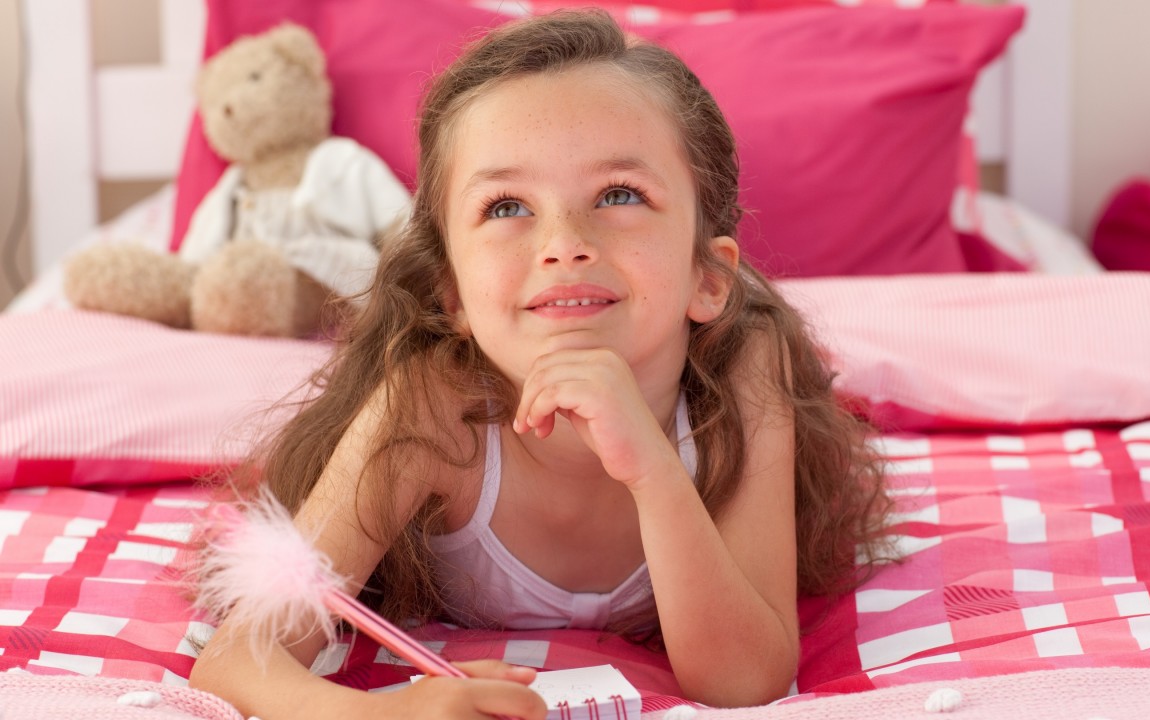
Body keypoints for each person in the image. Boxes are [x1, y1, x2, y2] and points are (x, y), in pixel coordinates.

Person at [188, 9, 891, 719]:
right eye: (506, 206)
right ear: (451, 293)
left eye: (619, 194)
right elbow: (236, 661)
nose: (563, 243)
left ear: (708, 277)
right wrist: (391, 714)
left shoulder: (746, 369)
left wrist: (652, 469)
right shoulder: (429, 410)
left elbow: (743, 684)